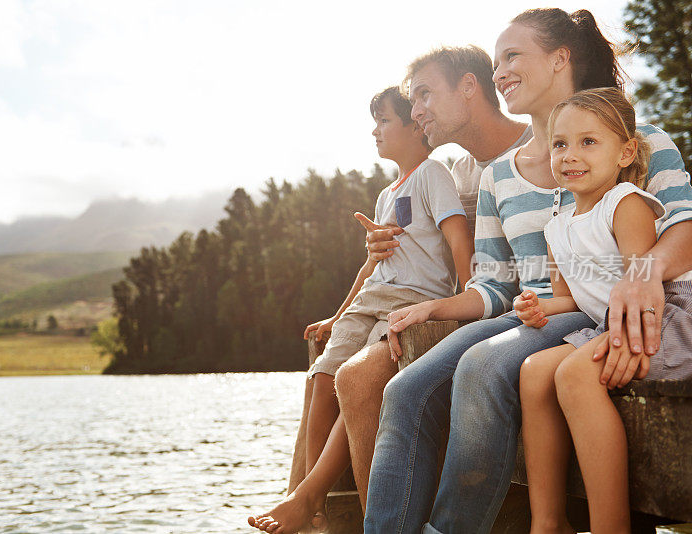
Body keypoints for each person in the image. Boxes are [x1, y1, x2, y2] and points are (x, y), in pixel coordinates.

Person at [364, 9, 692, 534]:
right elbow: (494, 285)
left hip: (594, 310)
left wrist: (643, 273)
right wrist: (435, 307)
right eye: (495, 62)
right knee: (404, 390)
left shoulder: (635, 138)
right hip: (536, 310)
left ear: (561, 59)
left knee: (483, 367)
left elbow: (684, 227)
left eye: (512, 56)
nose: (499, 73)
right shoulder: (498, 174)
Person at [248, 85, 473, 533]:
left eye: (384, 120)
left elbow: (457, 239)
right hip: (372, 299)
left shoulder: (433, 175)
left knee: (355, 381)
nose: (375, 131)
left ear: (415, 125)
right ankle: (313, 504)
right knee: (322, 377)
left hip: (411, 301)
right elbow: (372, 266)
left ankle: (316, 496)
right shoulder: (387, 193)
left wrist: (466, 302)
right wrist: (338, 315)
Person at [332, 45, 531, 515]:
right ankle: (310, 503)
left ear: (469, 87)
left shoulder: (548, 146)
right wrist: (382, 248)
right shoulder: (457, 171)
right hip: (468, 302)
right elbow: (442, 239)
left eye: (424, 95)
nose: (416, 111)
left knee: (363, 379)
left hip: (521, 312)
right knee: (340, 373)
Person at [517, 88, 692, 533]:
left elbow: (645, 287)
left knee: (574, 374)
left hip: (661, 318)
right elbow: (571, 297)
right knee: (535, 370)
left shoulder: (625, 202)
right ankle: (548, 521)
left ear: (625, 152)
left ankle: (609, 527)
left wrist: (630, 337)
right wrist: (538, 307)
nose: (570, 155)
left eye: (588, 142)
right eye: (560, 143)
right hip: (606, 322)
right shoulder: (555, 227)